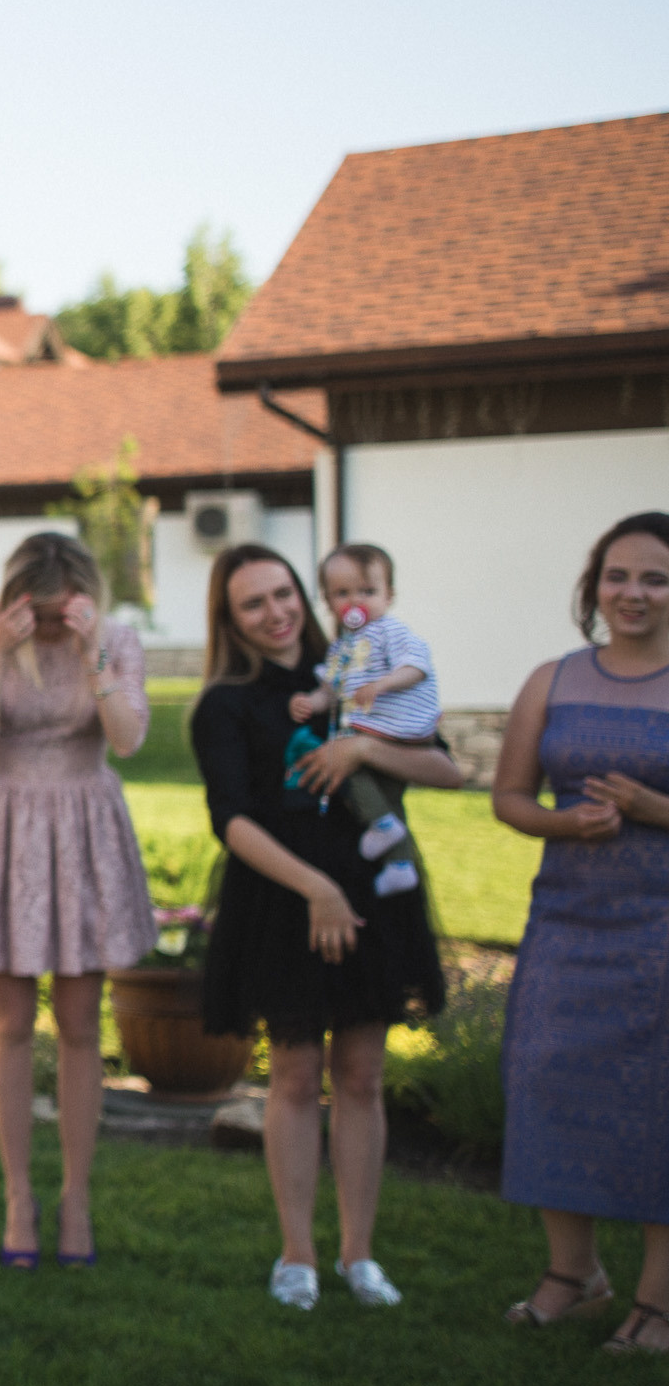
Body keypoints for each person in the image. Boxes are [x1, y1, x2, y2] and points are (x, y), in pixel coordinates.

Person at [191, 544, 461, 1312]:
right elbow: (230, 819)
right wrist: (316, 890)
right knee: (296, 1074)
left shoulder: (359, 672)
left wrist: (366, 746)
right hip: (285, 901)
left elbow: (448, 770)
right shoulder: (227, 704)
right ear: (229, 619)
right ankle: (298, 1256)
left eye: (283, 594)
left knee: (363, 1076)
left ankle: (359, 1255)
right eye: (253, 603)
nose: (275, 613)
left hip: (375, 890)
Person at [0, 532, 153, 1268]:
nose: (55, 626)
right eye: (45, 612)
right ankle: (16, 1197)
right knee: (8, 1023)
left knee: (80, 1025)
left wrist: (94, 657)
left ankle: (77, 1198)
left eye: (66, 613)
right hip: (7, 825)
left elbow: (128, 739)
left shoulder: (116, 641)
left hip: (84, 826)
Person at [491, 511, 669, 1353]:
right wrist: (565, 825)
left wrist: (655, 810)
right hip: (567, 922)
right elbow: (509, 797)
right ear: (594, 585)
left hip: (661, 930)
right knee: (545, 1081)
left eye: (656, 579)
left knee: (658, 1100)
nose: (634, 594)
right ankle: (575, 1275)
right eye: (617, 576)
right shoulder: (552, 679)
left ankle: (658, 1303)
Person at [290, 543, 443, 896]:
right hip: (374, 731)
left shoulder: (391, 632)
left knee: (348, 768)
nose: (355, 601)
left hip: (397, 727)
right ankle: (399, 865)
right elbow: (331, 690)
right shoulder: (342, 648)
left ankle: (383, 827)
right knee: (385, 797)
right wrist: (310, 702)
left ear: (389, 596)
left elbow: (416, 667)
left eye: (368, 592)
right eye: (343, 593)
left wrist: (383, 684)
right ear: (328, 602)